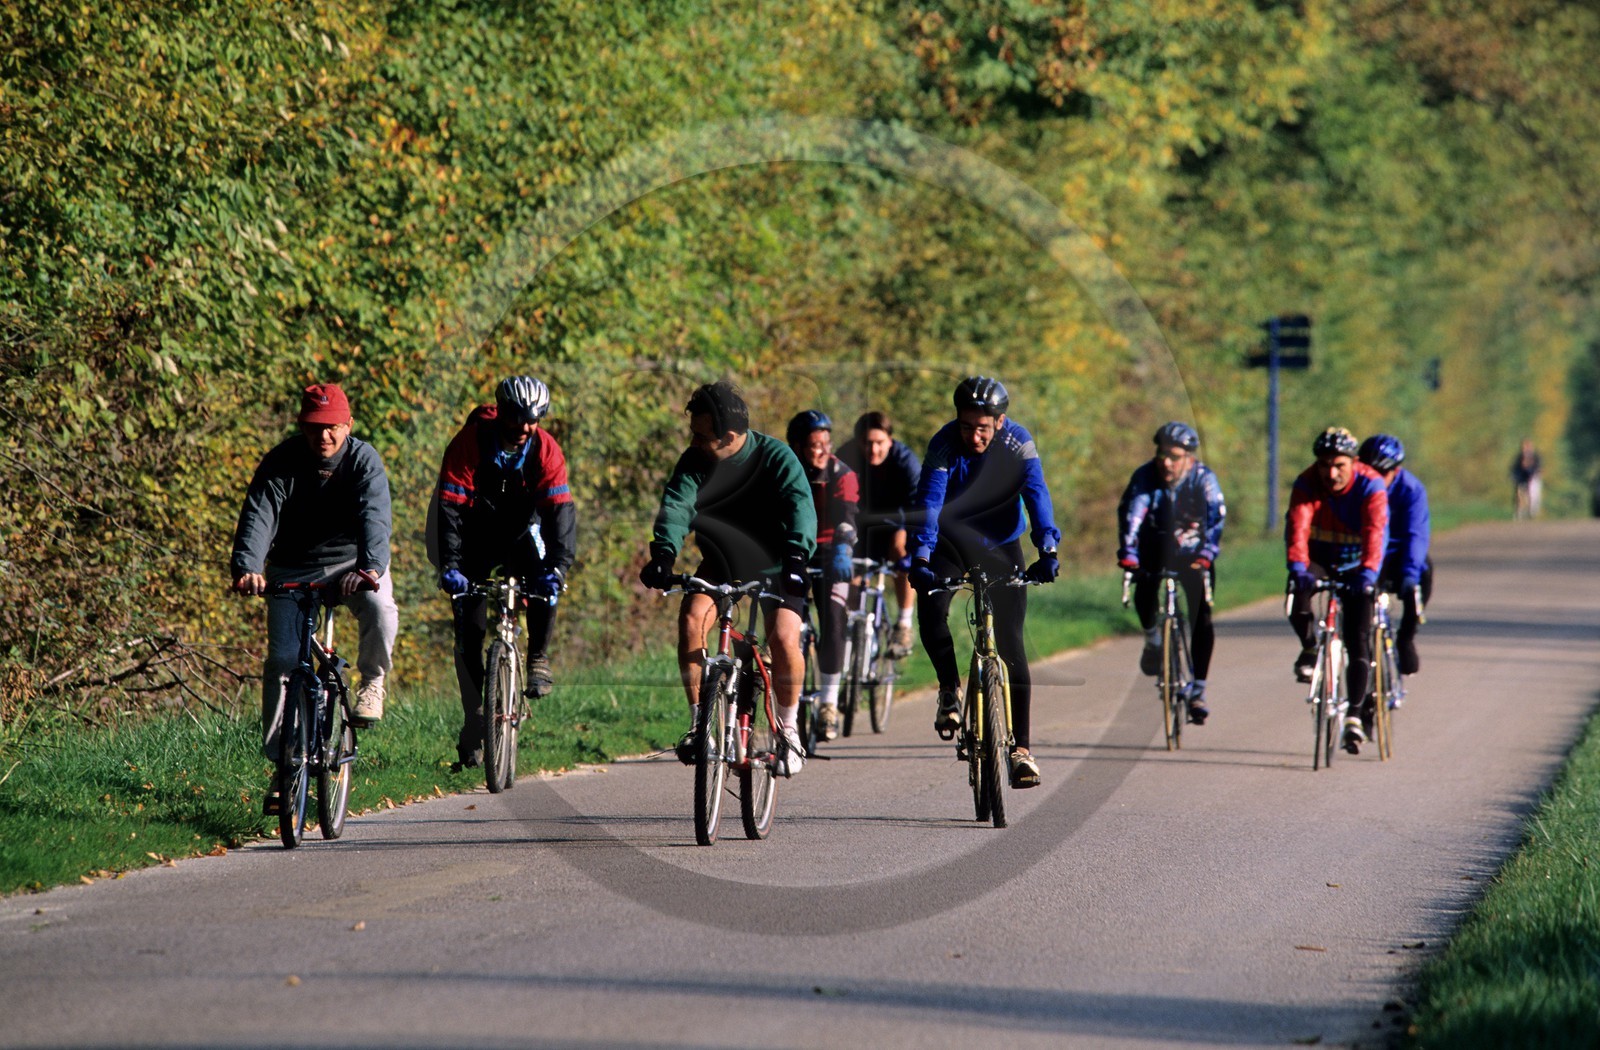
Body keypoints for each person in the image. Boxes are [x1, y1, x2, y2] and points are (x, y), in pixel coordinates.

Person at [231, 383, 398, 814]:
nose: (323, 437)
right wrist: (248, 567)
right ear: (301, 427)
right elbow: (259, 514)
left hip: (353, 567)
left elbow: (374, 516)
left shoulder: (364, 461)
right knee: (283, 662)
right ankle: (283, 767)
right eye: (313, 428)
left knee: (379, 608)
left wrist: (369, 569)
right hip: (292, 568)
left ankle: (373, 682)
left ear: (348, 425)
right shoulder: (282, 461)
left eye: (331, 428)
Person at [638, 381, 816, 775]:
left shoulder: (775, 457)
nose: (695, 441)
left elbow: (800, 507)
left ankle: (789, 730)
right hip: (722, 562)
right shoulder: (695, 459)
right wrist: (664, 553)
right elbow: (677, 504)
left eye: (702, 435)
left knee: (785, 637)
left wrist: (797, 555)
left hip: (776, 564)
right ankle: (701, 725)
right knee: (690, 619)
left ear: (730, 436)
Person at [908, 376, 1061, 789]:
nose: (973, 436)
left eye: (982, 427)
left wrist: (1047, 549)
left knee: (1011, 642)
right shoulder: (943, 444)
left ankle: (1022, 751)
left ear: (1000, 421)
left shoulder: (1018, 443)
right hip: (950, 541)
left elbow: (1037, 494)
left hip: (1000, 543)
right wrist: (921, 556)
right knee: (932, 603)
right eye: (965, 426)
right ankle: (947, 690)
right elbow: (929, 501)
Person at [435, 376, 577, 769]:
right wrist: (450, 565)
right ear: (501, 412)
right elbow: (448, 510)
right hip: (475, 533)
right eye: (518, 418)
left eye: (535, 419)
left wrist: (559, 567)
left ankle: (538, 657)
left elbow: (560, 511)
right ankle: (473, 717)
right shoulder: (471, 442)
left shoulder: (545, 448)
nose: (525, 428)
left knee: (547, 580)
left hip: (523, 531)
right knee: (469, 633)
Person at [1284, 427, 1389, 755]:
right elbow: (1298, 527)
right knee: (1295, 597)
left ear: (1353, 462)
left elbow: (1375, 531)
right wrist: (1298, 568)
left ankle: (1355, 716)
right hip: (1320, 558)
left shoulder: (1370, 484)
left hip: (1358, 565)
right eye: (1324, 464)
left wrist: (1370, 572)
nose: (1331, 473)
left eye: (1339, 465)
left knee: (1358, 638)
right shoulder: (1306, 482)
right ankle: (1311, 647)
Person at [1115, 421, 1226, 724]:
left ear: (1189, 459)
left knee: (1201, 614)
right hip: (1153, 548)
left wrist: (1206, 554)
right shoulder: (1145, 476)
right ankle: (1153, 640)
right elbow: (1132, 515)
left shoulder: (1203, 479)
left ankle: (1198, 688)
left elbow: (1216, 519)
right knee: (1144, 590)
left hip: (1193, 554)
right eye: (1162, 454)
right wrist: (1128, 553)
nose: (1166, 462)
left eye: (1174, 457)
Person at [786, 410, 859, 741]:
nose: (822, 451)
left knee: (833, 617)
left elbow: (847, 515)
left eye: (825, 444)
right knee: (788, 624)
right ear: (798, 447)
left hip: (834, 550)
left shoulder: (842, 473)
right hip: (795, 549)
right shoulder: (787, 472)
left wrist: (844, 547)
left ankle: (829, 704)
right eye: (814, 445)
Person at [836, 410, 922, 657]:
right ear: (857, 442)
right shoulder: (846, 455)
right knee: (850, 573)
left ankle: (903, 625)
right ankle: (856, 630)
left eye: (879, 443)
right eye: (867, 443)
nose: (873, 450)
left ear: (890, 441)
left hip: (896, 522)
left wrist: (912, 546)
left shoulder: (905, 461)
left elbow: (918, 506)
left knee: (899, 549)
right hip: (858, 523)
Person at [1358, 434, 1431, 676]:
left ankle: (1406, 638)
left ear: (1396, 470)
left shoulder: (1411, 490)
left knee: (1424, 573)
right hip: (1366, 554)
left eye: (1383, 472)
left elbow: (1416, 535)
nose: (1376, 478)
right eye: (1370, 470)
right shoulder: (1357, 486)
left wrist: (1410, 574)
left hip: (1397, 555)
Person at [1510, 438, 1542, 519]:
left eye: (1528, 446)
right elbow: (1515, 468)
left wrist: (1536, 473)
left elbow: (1539, 468)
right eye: (1525, 446)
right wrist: (1514, 477)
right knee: (1520, 496)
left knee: (1534, 496)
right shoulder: (1519, 457)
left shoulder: (1535, 457)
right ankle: (1519, 513)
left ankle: (1532, 513)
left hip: (1533, 479)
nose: (1527, 448)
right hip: (1522, 479)